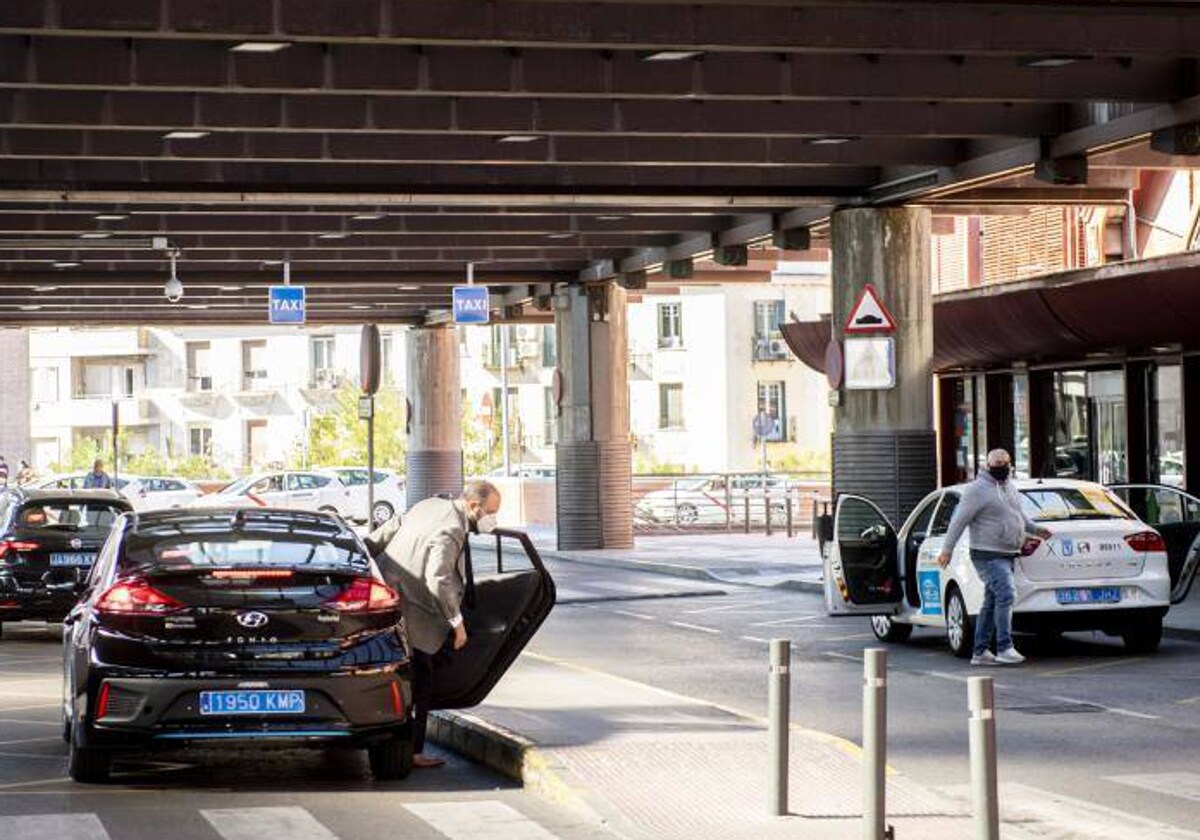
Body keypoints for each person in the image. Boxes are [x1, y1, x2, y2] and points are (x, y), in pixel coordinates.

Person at [364, 480, 501, 768]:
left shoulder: (429, 504)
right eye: (491, 512)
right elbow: (438, 578)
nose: (493, 519)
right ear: (474, 506)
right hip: (416, 612)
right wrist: (457, 622)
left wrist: (362, 553)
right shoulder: (452, 527)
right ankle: (413, 751)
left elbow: (388, 530)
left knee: (403, 677)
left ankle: (403, 745)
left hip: (388, 598)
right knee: (421, 682)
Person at [937, 449, 1051, 666]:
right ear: (988, 465)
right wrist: (947, 550)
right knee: (1006, 593)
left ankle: (979, 652)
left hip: (1008, 553)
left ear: (1010, 463)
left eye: (1004, 462)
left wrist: (1036, 530)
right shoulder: (977, 490)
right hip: (986, 554)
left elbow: (1018, 517)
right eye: (996, 463)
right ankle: (1004, 646)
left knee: (990, 602)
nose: (1001, 466)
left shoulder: (1010, 487)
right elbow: (958, 521)